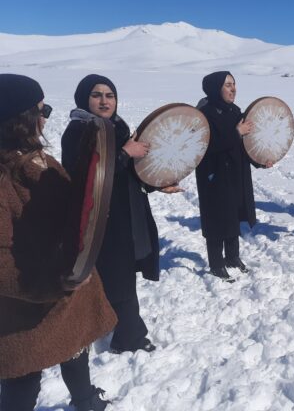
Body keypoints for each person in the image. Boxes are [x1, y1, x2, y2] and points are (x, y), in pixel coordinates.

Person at [1, 74, 116, 410]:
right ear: (19, 118)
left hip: (63, 288)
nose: (45, 116)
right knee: (22, 381)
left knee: (75, 348)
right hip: (26, 304)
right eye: (41, 109)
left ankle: (85, 401)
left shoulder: (37, 157)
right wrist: (48, 285)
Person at [62, 74, 172, 354]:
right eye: (96, 95)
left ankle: (115, 328)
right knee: (118, 277)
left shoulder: (117, 127)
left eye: (109, 95)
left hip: (127, 213)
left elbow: (130, 172)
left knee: (121, 275)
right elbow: (84, 176)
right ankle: (128, 337)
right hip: (102, 220)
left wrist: (157, 182)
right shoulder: (78, 131)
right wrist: (124, 152)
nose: (104, 100)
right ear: (84, 99)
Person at [195, 71, 271, 281]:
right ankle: (216, 263)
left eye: (234, 84)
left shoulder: (235, 111)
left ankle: (232, 256)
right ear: (215, 88)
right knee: (217, 219)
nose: (233, 89)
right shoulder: (204, 114)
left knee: (233, 216)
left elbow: (244, 144)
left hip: (236, 173)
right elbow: (205, 146)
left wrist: (259, 160)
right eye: (228, 85)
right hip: (214, 175)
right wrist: (236, 133)